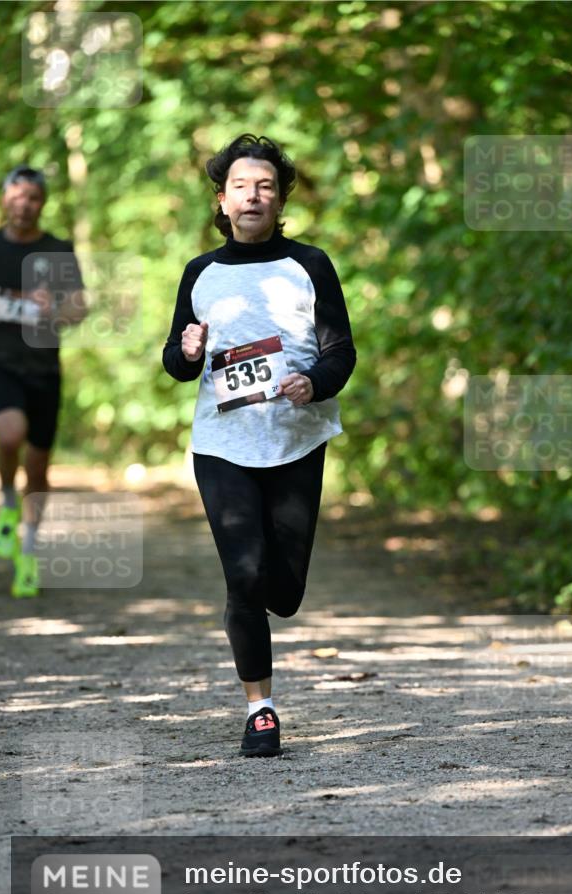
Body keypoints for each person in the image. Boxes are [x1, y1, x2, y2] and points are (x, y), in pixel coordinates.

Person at [163, 134, 356, 758]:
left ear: (280, 200)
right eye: (242, 186)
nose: (254, 196)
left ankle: (274, 606)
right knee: (243, 575)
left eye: (266, 186)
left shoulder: (310, 264)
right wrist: (188, 352)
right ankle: (261, 709)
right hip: (222, 447)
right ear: (222, 200)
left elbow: (340, 351)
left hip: (297, 443)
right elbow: (176, 359)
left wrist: (314, 382)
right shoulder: (201, 273)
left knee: (284, 593)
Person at [0, 166, 86, 596]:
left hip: (45, 369)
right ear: (4, 198)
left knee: (40, 464)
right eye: (16, 195)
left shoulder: (58, 250)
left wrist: (53, 309)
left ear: (42, 202)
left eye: (32, 197)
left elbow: (80, 309)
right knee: (10, 435)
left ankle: (28, 550)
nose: (23, 204)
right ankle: (9, 503)